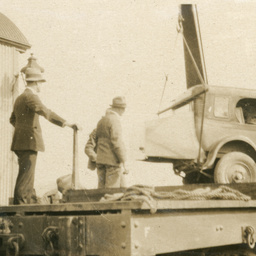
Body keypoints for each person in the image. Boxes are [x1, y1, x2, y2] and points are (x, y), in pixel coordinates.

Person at [9, 67, 79, 205]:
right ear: (35, 83)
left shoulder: (19, 98)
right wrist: (66, 123)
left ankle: (23, 205)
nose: (41, 86)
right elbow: (45, 111)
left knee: (25, 175)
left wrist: (22, 131)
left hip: (21, 143)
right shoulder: (31, 96)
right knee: (26, 177)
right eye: (40, 83)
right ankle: (21, 207)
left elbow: (12, 119)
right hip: (29, 142)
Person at [95, 96, 129, 188]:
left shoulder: (101, 120)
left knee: (101, 191)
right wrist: (124, 160)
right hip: (112, 163)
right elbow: (117, 142)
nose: (124, 111)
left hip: (100, 161)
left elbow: (96, 140)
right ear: (119, 109)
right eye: (123, 109)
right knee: (111, 194)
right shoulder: (115, 120)